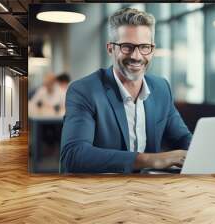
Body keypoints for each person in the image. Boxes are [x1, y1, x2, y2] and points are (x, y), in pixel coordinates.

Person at [60, 8, 192, 173]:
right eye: (127, 47)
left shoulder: (161, 88)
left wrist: (203, 154)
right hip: (101, 191)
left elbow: (182, 138)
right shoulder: (84, 90)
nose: (137, 56)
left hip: (149, 190)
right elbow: (73, 155)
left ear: (152, 49)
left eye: (144, 47)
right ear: (110, 49)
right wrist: (151, 159)